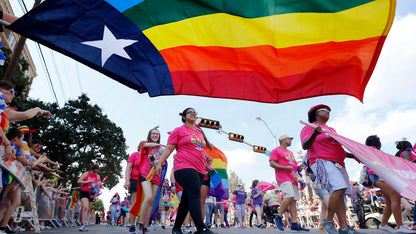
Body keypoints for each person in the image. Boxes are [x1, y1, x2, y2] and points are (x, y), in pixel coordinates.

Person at [301, 104, 361, 234]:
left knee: (340, 195)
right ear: (316, 113)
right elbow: (305, 145)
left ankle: (344, 228)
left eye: (329, 110)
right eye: (324, 110)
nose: (328, 112)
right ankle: (328, 221)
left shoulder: (331, 129)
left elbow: (336, 148)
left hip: (338, 163)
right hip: (320, 160)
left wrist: (353, 156)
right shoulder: (308, 127)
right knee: (339, 188)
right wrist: (314, 134)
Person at [155, 107, 215, 234]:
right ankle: (201, 228)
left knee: (186, 201)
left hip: (200, 169)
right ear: (184, 117)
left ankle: (176, 228)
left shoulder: (198, 132)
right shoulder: (179, 130)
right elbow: (169, 148)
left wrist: (206, 157)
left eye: (195, 113)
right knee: (194, 193)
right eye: (190, 112)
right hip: (184, 167)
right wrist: (160, 163)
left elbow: (199, 148)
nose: (193, 114)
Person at [270, 134, 309, 232]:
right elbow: (272, 163)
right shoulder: (276, 150)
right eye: (289, 138)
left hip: (293, 178)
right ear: (283, 140)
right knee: (289, 195)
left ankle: (294, 224)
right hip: (283, 177)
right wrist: (285, 168)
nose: (291, 140)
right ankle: (278, 217)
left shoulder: (290, 152)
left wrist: (299, 168)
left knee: (294, 201)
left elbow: (293, 166)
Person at [137, 128, 165, 234]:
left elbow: (162, 162)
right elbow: (146, 146)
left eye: (157, 134)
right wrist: (159, 145)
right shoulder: (145, 144)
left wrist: (160, 161)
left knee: (152, 201)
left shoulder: (161, 150)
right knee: (148, 197)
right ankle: (140, 223)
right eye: (153, 133)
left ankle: (145, 225)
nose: (155, 135)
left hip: (156, 175)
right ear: (149, 135)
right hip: (146, 174)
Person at [124, 141, 145, 233]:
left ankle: (141, 224)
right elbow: (128, 168)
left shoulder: (148, 156)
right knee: (135, 202)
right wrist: (127, 180)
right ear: (140, 146)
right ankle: (132, 225)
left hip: (145, 181)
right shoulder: (135, 155)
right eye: (144, 145)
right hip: (135, 180)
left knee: (144, 203)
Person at [77, 164, 101, 231]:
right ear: (91, 170)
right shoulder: (86, 174)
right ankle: (82, 224)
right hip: (84, 191)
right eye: (94, 171)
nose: (95, 173)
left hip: (92, 193)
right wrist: (87, 182)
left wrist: (100, 184)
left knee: (88, 209)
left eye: (96, 171)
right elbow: (79, 181)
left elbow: (99, 184)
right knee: (85, 207)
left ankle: (83, 223)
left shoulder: (98, 176)